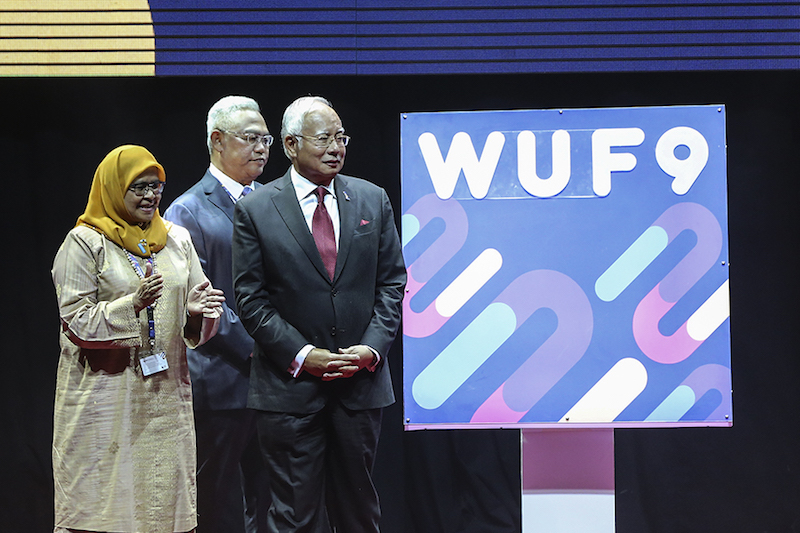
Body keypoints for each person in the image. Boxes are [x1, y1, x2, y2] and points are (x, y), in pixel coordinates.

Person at [232, 96, 406, 533]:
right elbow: (250, 299)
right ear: (290, 145)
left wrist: (370, 348)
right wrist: (302, 354)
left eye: (341, 137)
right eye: (324, 137)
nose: (336, 147)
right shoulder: (255, 209)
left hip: (359, 386)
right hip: (289, 390)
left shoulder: (371, 199)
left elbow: (392, 284)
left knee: (359, 513)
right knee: (293, 516)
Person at [51, 145, 224, 533]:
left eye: (157, 186)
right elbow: (76, 321)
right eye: (139, 187)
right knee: (105, 506)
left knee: (166, 505)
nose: (151, 196)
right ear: (114, 188)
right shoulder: (84, 243)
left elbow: (195, 308)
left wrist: (197, 312)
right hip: (105, 400)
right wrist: (132, 304)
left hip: (165, 397)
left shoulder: (177, 239)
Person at [163, 95, 271, 533]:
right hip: (220, 382)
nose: (262, 148)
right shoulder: (187, 210)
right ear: (217, 141)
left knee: (274, 499)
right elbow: (200, 296)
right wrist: (265, 351)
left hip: (278, 383)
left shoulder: (274, 201)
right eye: (250, 138)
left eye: (266, 139)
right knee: (213, 501)